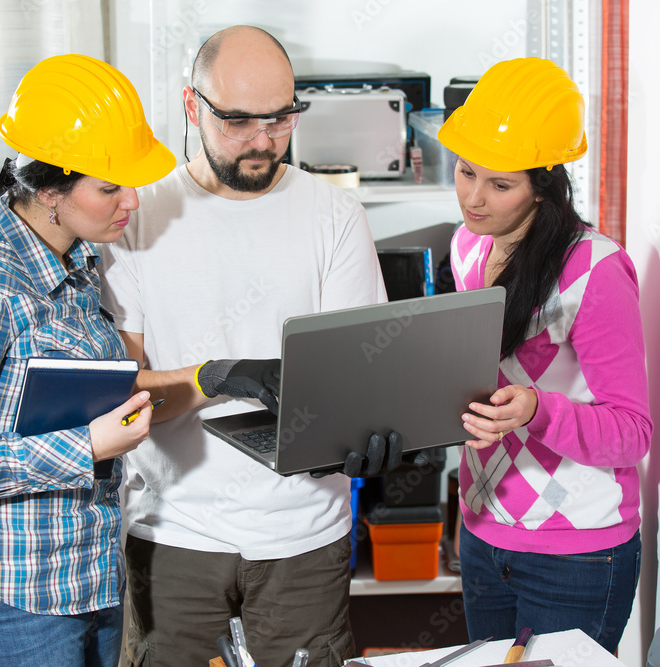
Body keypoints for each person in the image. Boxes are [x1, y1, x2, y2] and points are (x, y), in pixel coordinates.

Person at [97, 25, 417, 667]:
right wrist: (216, 376)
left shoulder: (335, 216)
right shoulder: (135, 218)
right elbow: (122, 404)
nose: (263, 142)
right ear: (192, 106)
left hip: (305, 538)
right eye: (238, 121)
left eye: (280, 118)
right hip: (172, 535)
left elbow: (361, 376)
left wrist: (368, 436)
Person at [0, 54, 175, 667]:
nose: (131, 200)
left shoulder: (76, 262)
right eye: (109, 187)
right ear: (50, 190)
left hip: (80, 577)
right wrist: (87, 447)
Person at [438, 57, 653, 653]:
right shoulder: (467, 248)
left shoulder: (595, 270)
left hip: (577, 554)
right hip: (484, 540)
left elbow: (632, 433)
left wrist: (537, 409)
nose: (474, 199)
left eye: (500, 185)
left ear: (545, 183)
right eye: (465, 172)